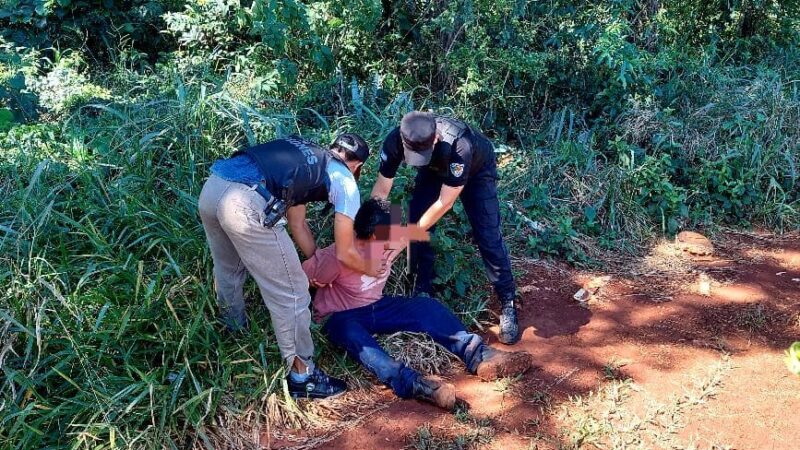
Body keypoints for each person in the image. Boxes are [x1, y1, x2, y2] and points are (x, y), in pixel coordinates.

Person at [198, 133, 384, 399]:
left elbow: (297, 223)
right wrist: (369, 268)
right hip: (244, 203)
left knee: (228, 269)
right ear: (357, 166)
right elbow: (345, 252)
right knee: (294, 291)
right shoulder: (345, 180)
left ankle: (232, 334)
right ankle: (303, 377)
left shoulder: (307, 156)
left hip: (214, 187)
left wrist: (316, 262)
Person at [302, 199, 532, 410]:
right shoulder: (336, 256)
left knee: (426, 308)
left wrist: (449, 194)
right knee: (351, 333)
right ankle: (416, 384)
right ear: (374, 236)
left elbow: (421, 225)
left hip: (378, 306)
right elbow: (297, 279)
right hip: (341, 316)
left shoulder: (390, 241)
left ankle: (479, 355)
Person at [370, 111, 521, 344]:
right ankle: (422, 289)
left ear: (436, 138)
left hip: (476, 170)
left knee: (487, 235)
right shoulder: (396, 140)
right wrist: (376, 241)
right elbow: (380, 193)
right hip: (434, 171)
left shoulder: (461, 146)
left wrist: (402, 239)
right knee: (416, 221)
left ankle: (507, 300)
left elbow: (445, 202)